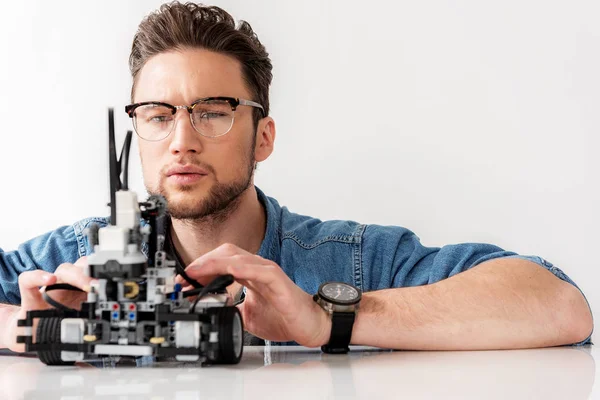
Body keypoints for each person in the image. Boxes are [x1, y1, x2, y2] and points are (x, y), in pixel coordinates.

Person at [0, 2, 593, 353]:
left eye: (211, 112)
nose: (181, 139)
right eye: (157, 116)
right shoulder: (78, 258)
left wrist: (328, 319)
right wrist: (32, 329)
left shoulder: (348, 263)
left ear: (264, 136)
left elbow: (559, 303)